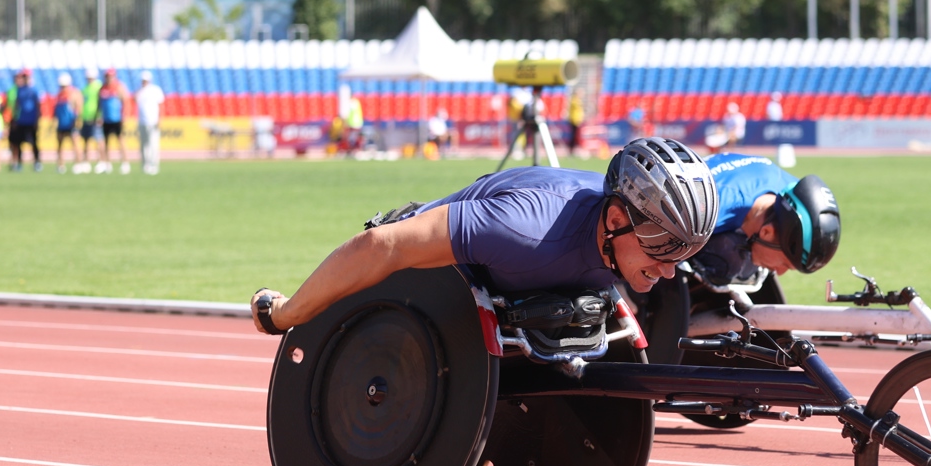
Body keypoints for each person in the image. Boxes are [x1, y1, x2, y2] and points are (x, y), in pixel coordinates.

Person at [251, 138, 720, 335]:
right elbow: (385, 245)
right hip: (437, 276)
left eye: (682, 252)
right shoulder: (523, 228)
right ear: (615, 220)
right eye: (660, 249)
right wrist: (286, 314)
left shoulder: (622, 233)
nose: (669, 269)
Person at [686, 152, 841, 289]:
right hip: (686, 200)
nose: (780, 272)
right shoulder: (705, 208)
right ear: (767, 232)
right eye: (785, 264)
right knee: (728, 263)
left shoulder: (793, 193)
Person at [7, 69, 43, 172]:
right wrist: (15, 119)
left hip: (31, 121)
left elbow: (38, 106)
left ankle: (37, 162)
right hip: (21, 121)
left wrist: (37, 120)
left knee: (34, 143)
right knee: (18, 143)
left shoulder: (35, 89)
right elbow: (17, 105)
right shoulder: (20, 89)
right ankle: (19, 163)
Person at [96, 68, 127, 173]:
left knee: (120, 141)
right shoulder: (102, 88)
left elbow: (125, 102)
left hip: (117, 118)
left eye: (111, 76)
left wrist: (124, 116)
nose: (109, 78)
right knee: (106, 143)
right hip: (106, 119)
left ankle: (124, 163)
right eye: (107, 76)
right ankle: (107, 163)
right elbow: (99, 104)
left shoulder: (119, 87)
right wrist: (98, 116)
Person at [52, 73, 83, 172]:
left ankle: (78, 164)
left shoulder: (74, 93)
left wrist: (77, 120)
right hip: (61, 124)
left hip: (71, 123)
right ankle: (60, 165)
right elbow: (56, 110)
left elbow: (79, 107)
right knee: (60, 145)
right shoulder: (58, 95)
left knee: (75, 144)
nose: (62, 88)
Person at [134, 70, 164, 175]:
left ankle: (153, 164)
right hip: (142, 121)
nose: (144, 82)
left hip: (153, 121)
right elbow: (135, 101)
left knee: (153, 144)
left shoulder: (155, 90)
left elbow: (161, 105)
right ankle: (145, 164)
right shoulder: (140, 91)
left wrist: (160, 119)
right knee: (143, 145)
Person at [75, 67, 102, 173]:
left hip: (95, 118)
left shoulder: (99, 87)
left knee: (98, 140)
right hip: (86, 118)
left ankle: (101, 161)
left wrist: (99, 116)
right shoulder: (85, 88)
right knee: (85, 140)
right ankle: (86, 161)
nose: (89, 79)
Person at [567, 91, 585, 156]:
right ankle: (572, 150)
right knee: (574, 136)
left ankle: (573, 149)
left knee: (576, 136)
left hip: (577, 121)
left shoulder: (577, 100)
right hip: (574, 121)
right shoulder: (574, 100)